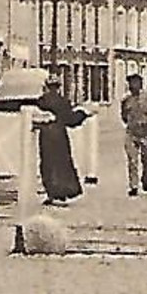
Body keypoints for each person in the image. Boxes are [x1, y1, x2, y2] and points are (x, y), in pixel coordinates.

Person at [36, 75, 88, 206]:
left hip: (46, 135)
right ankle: (64, 190)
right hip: (59, 134)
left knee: (47, 163)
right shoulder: (62, 101)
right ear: (58, 88)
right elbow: (70, 120)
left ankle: (52, 192)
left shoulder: (41, 102)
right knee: (62, 163)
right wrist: (82, 114)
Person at [121, 73, 147, 196]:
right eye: (130, 83)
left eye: (134, 83)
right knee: (132, 160)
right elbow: (123, 116)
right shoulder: (126, 100)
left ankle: (145, 179)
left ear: (140, 84)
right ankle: (133, 186)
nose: (132, 86)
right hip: (132, 133)